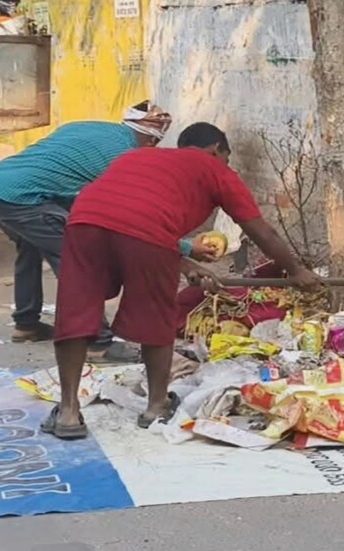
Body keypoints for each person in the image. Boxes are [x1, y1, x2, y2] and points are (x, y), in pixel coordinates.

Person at [41, 122, 319, 439]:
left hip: (84, 221)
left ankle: (68, 412)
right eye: (226, 158)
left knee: (76, 310)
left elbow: (133, 215)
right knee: (154, 313)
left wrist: (185, 265)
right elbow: (261, 231)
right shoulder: (218, 171)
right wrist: (296, 271)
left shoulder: (137, 157)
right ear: (216, 150)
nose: (226, 164)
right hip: (146, 232)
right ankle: (157, 405)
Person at [0, 102, 217, 358]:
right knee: (76, 260)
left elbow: (68, 180)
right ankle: (98, 342)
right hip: (22, 199)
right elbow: (138, 222)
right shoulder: (126, 157)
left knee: (30, 248)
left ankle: (27, 324)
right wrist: (187, 248)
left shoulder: (87, 127)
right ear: (151, 140)